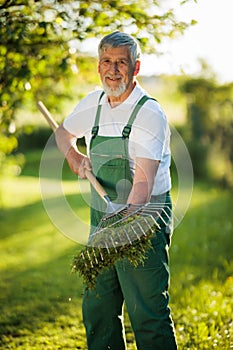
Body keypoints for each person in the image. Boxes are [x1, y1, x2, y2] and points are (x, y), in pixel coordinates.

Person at [55, 31, 177, 350]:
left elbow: (142, 186)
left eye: (121, 62)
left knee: (147, 312)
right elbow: (63, 133)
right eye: (107, 61)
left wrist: (121, 230)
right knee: (98, 308)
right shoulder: (93, 104)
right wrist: (74, 156)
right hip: (104, 218)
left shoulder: (149, 113)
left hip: (143, 217)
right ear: (98, 67)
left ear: (135, 68)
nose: (113, 69)